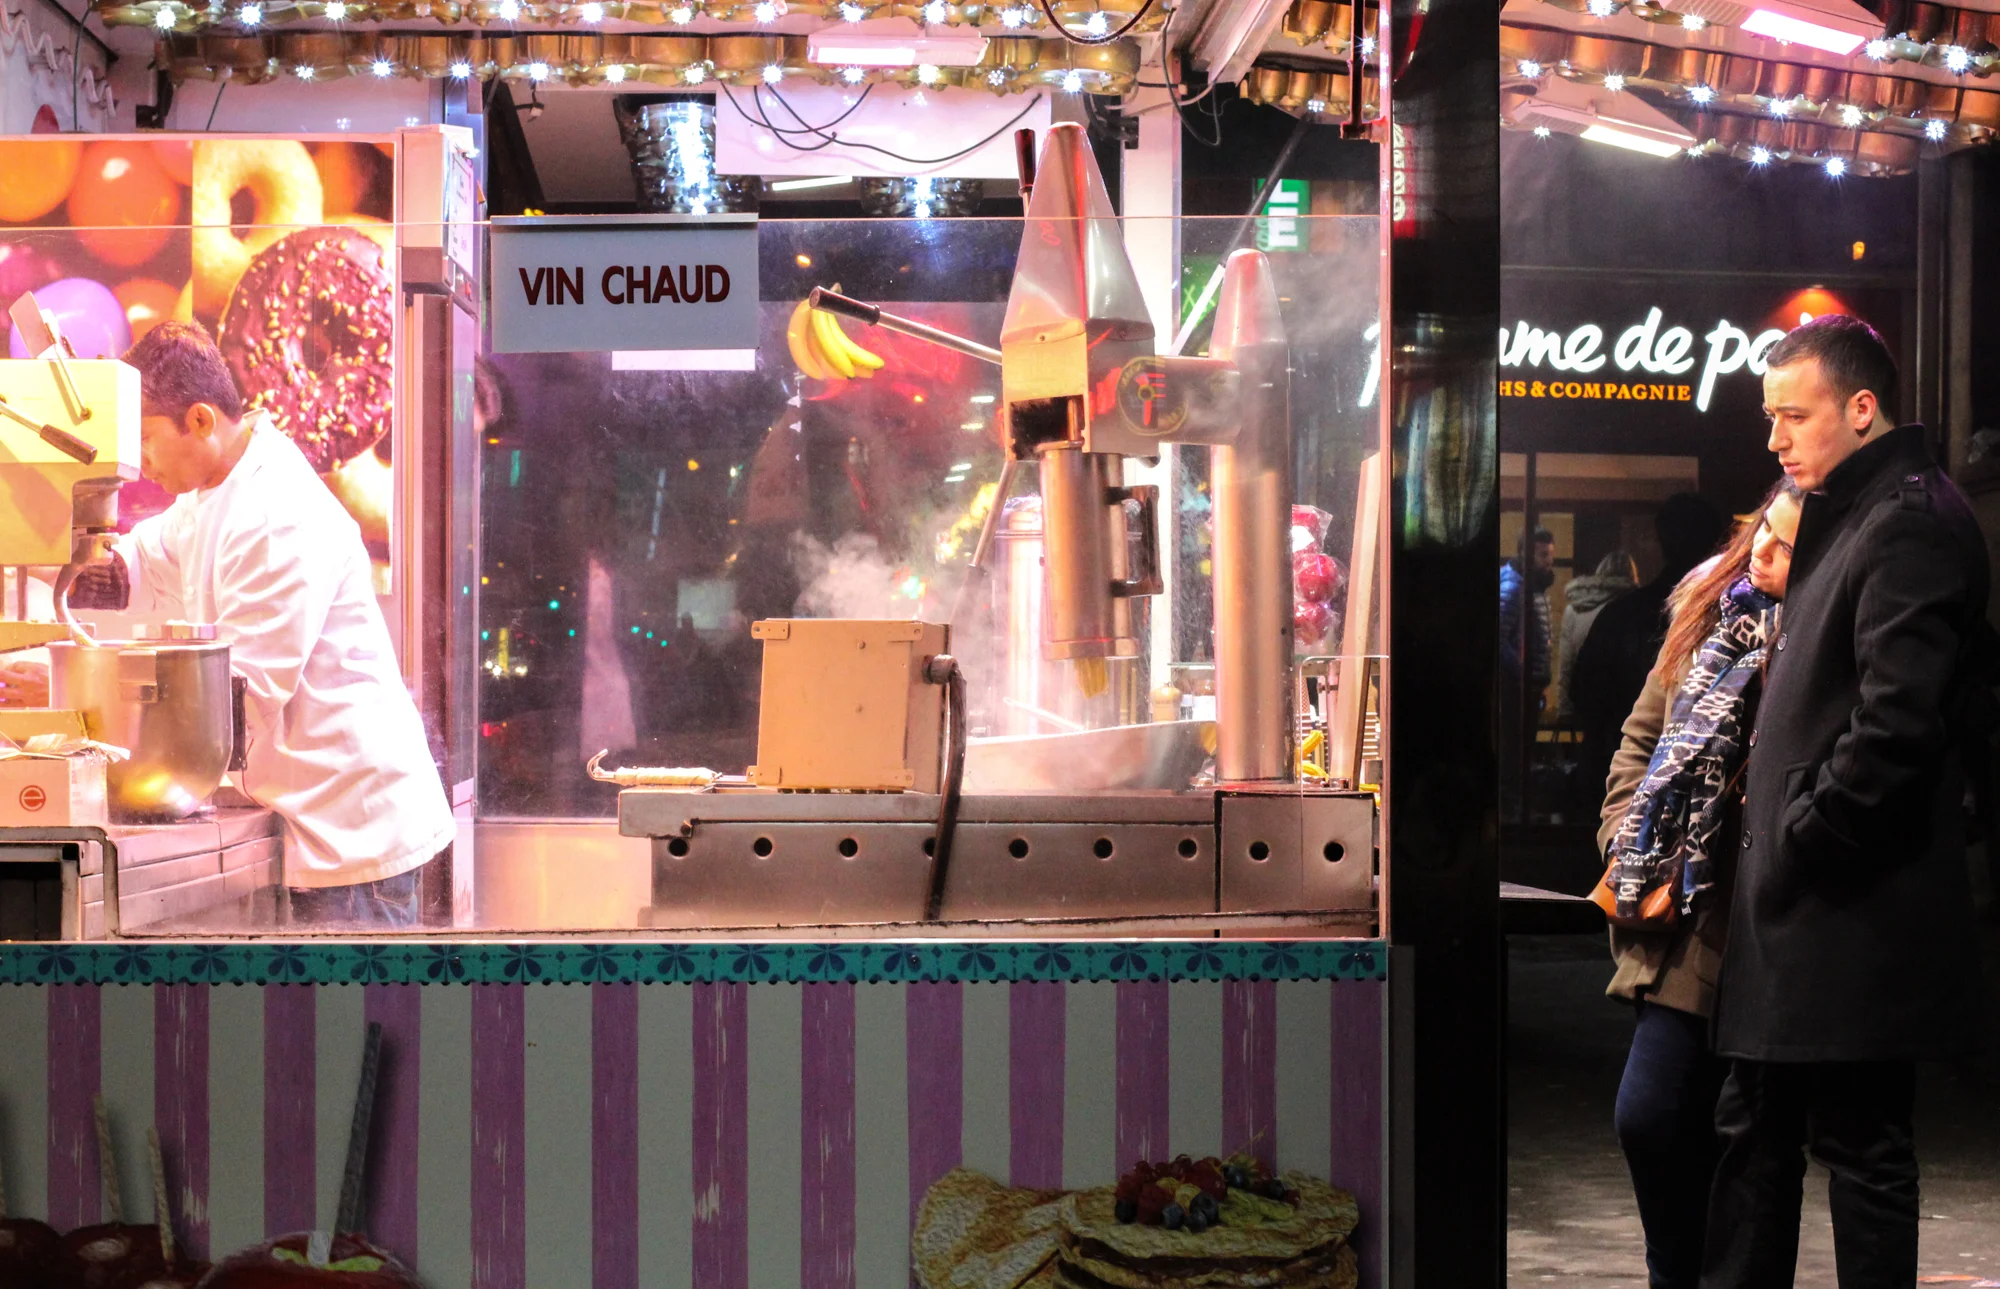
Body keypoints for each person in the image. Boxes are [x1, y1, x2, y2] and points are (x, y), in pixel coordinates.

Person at [1704, 315, 1988, 1289]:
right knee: (1757, 1139)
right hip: (1808, 912)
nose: (1774, 438)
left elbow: (1893, 723)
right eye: (1769, 415)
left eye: (1794, 413)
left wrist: (1800, 835)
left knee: (1856, 1147)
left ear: (1860, 409)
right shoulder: (1858, 511)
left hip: (1847, 911)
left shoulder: (1905, 517)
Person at [71, 322, 454, 927]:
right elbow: (148, 566)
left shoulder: (275, 514)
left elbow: (238, 700)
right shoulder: (210, 490)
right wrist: (76, 559)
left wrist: (95, 751)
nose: (142, 466)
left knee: (348, 1021)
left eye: (144, 441)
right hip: (302, 820)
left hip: (347, 841)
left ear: (199, 420)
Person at [1598, 481, 1800, 1289]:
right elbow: (1638, 739)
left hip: (1771, 908)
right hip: (1687, 908)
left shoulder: (1818, 628)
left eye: (1785, 545)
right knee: (1648, 1117)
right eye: (1762, 534)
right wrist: (1627, 837)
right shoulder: (1712, 611)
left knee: (1746, 1141)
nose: (1761, 554)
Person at [1573, 494, 1727, 826]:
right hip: (1626, 775)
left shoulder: (1622, 614)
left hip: (1672, 794)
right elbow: (1589, 696)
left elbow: (1583, 693)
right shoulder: (1628, 615)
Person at [1501, 527, 1556, 819]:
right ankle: (1512, 808)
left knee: (1521, 751)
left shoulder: (1529, 587)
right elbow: (1499, 638)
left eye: (1551, 555)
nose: (1549, 562)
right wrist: (1522, 674)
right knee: (1514, 751)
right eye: (1543, 555)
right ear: (1526, 553)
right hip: (1516, 690)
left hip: (1526, 686)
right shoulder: (1514, 588)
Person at [1560, 548, 1639, 719]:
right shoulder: (1632, 608)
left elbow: (1566, 664)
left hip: (1586, 697)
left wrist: (1564, 708)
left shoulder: (1575, 608)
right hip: (1624, 700)